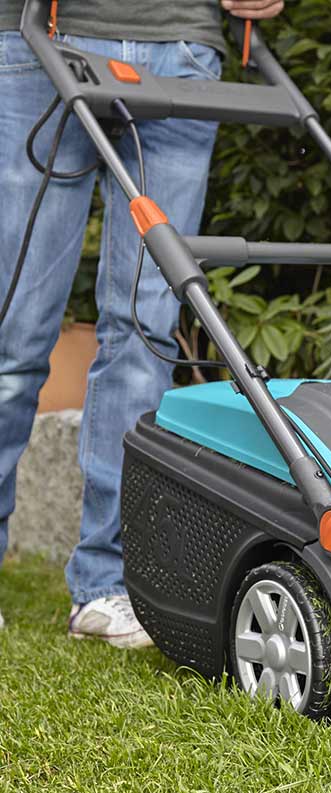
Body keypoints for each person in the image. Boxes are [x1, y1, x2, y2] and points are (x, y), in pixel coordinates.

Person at [0, 0, 284, 645]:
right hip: (43, 36)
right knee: (13, 334)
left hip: (179, 47)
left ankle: (107, 584)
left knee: (145, 331)